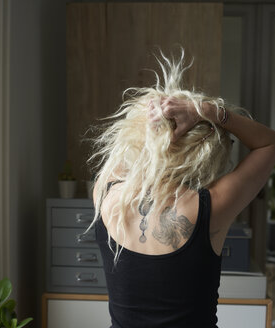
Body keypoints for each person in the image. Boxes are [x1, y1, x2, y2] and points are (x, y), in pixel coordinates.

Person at [86, 49, 275, 328]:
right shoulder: (210, 208)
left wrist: (156, 132)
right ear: (207, 152)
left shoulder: (106, 194)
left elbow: (126, 153)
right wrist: (208, 112)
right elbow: (268, 145)